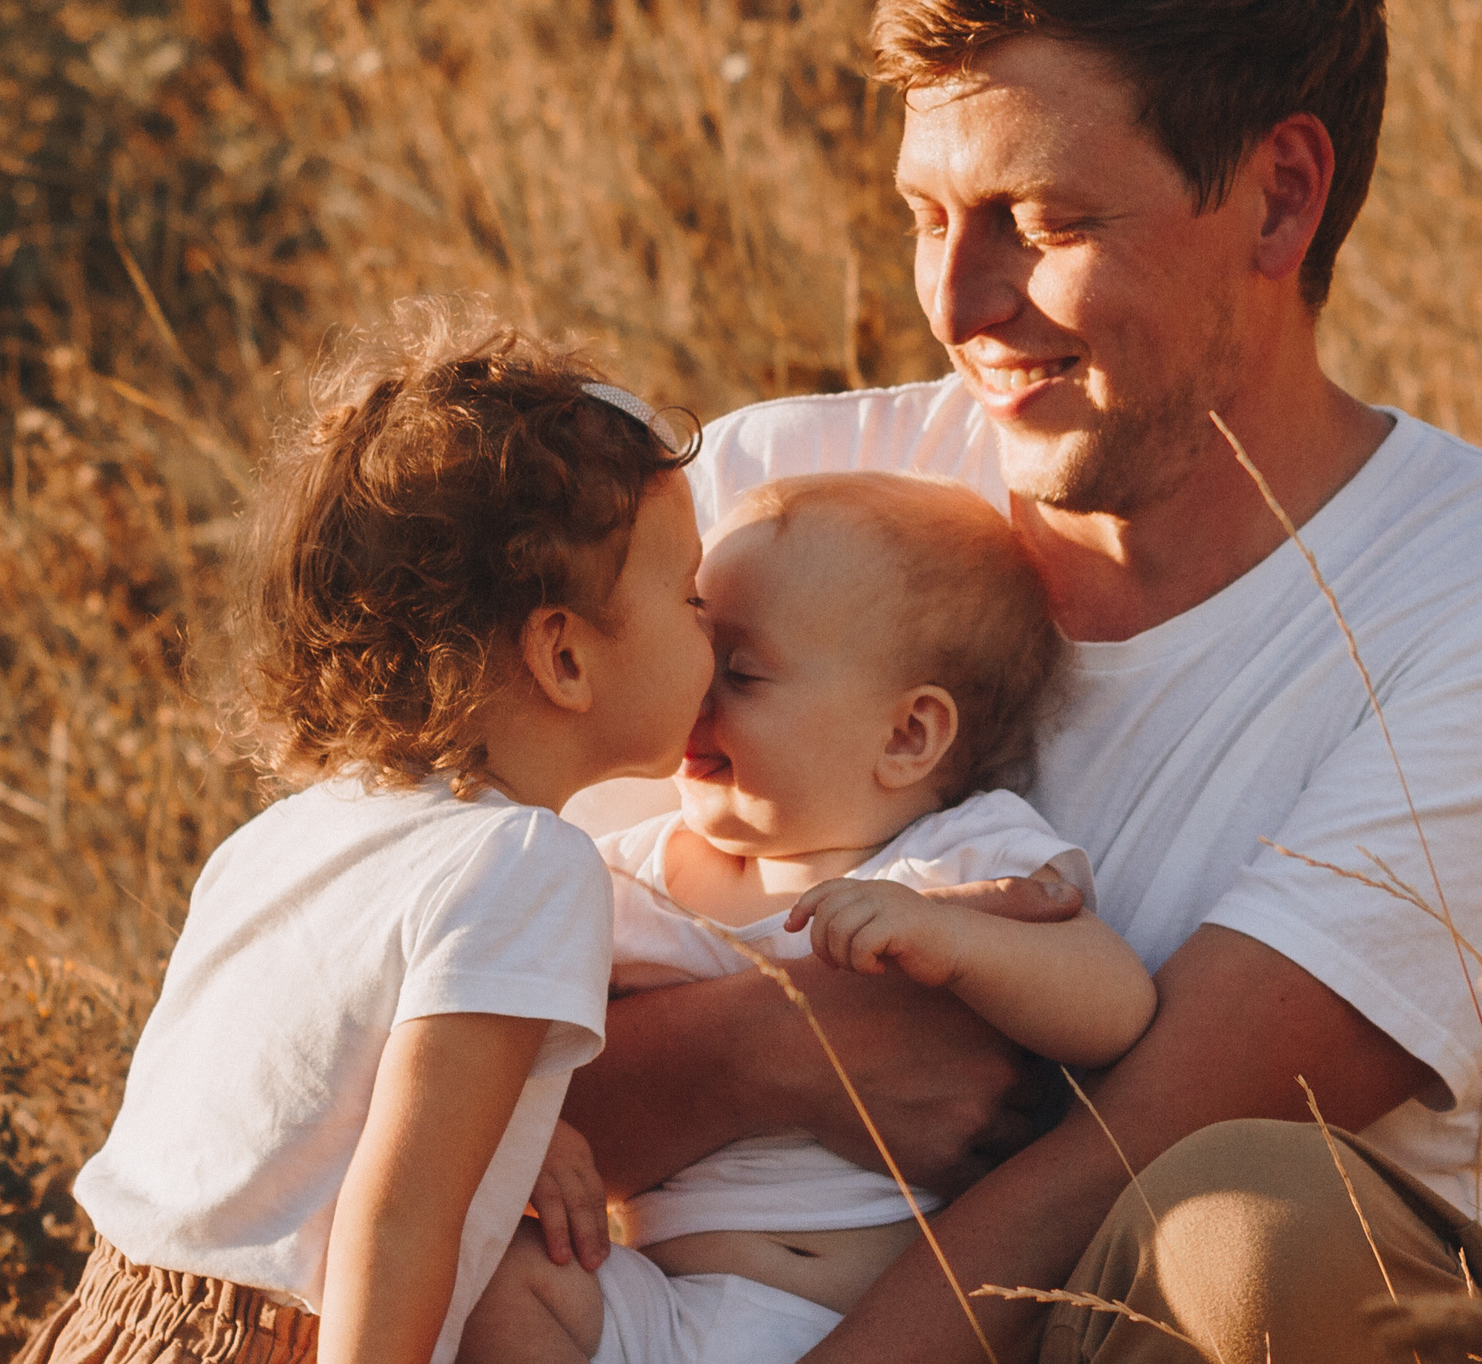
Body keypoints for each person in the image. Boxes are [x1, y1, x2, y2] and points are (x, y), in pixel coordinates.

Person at [560, 0, 1482, 1363]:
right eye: (927, 216)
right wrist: (781, 1046)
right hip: (696, 1317)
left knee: (1255, 1228)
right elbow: (435, 1040)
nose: (961, 303)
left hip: (1142, 1324)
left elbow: (1159, 1129)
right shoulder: (764, 503)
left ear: (1280, 200)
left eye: (1046, 222)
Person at [16, 312, 715, 1364]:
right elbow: (396, 1224)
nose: (715, 627)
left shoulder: (292, 831)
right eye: (691, 595)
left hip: (111, 1315)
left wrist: (517, 1127)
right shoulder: (529, 862)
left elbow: (289, 1098)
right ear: (564, 657)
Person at [462, 471, 1155, 1364]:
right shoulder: (618, 878)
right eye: (697, 651)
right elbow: (498, 1041)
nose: (696, 694)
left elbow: (1118, 1006)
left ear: (907, 736)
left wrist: (957, 939)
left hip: (862, 1323)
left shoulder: (955, 859)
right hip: (647, 1308)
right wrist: (534, 1124)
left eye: (742, 674)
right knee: (493, 1279)